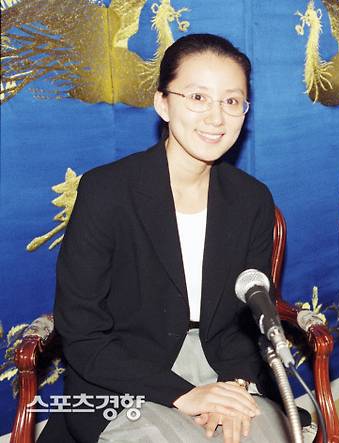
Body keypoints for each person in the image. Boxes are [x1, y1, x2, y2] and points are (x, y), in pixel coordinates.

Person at [40, 34, 289, 443]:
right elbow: (82, 333)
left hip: (222, 368)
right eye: (198, 97)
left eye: (231, 101)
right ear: (162, 103)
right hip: (120, 377)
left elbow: (248, 320)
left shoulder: (252, 199)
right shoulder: (107, 192)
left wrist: (237, 384)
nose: (216, 118)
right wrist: (184, 395)